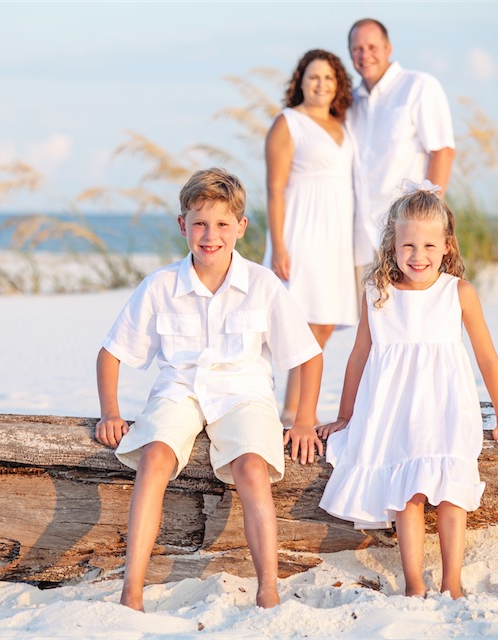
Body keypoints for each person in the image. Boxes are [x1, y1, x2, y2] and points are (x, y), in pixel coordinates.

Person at [95, 167, 325, 612]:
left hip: (244, 394)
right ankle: (132, 592)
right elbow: (111, 352)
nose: (210, 235)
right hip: (179, 391)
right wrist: (110, 412)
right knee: (155, 458)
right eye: (199, 223)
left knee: (252, 468)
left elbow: (307, 355)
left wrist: (304, 420)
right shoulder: (160, 286)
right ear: (183, 225)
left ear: (241, 227)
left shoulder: (262, 285)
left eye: (222, 224)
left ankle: (268, 589)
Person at [317, 181, 498, 599]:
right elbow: (359, 356)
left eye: (430, 246)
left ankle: (452, 581)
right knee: (406, 493)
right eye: (409, 246)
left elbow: (488, 358)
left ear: (447, 246)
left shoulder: (459, 293)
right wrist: (346, 415)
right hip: (393, 410)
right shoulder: (378, 294)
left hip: (446, 407)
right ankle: (414, 583)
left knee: (452, 491)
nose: (419, 256)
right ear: (392, 246)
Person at [264, 49, 359, 425]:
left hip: (335, 233)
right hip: (301, 229)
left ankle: (295, 406)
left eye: (329, 78)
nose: (321, 84)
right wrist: (279, 246)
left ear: (338, 86)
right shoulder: (288, 122)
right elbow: (274, 188)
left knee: (324, 322)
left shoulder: (344, 124)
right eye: (314, 77)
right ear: (300, 81)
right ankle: (296, 409)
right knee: (299, 320)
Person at [347, 17, 456, 271]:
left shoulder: (418, 86)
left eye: (372, 47)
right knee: (363, 310)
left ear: (388, 48)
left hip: (405, 236)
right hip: (359, 239)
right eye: (357, 49)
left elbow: (442, 151)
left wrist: (425, 222)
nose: (365, 55)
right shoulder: (350, 102)